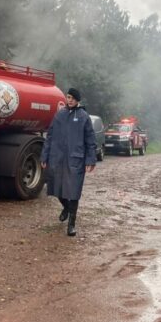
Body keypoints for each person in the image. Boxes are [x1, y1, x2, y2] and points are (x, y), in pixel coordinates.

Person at [41, 88, 97, 237]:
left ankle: (71, 224)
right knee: (57, 188)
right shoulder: (60, 114)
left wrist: (90, 159)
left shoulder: (84, 116)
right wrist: (44, 156)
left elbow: (90, 140)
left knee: (73, 192)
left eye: (72, 97)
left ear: (77, 99)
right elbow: (50, 136)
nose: (69, 100)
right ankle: (66, 208)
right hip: (57, 158)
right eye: (68, 97)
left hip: (75, 159)